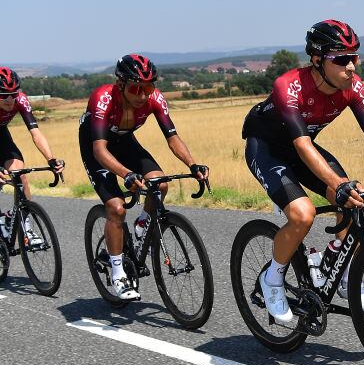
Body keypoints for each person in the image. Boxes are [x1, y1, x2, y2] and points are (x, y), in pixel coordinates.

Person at [242, 19, 364, 325]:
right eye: (342, 59)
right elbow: (302, 146)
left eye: (355, 57)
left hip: (302, 147)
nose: (352, 66)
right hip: (267, 149)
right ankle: (272, 279)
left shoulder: (352, 87)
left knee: (354, 201)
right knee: (303, 214)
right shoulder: (289, 86)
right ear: (317, 60)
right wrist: (336, 184)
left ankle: (341, 273)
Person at [79, 54, 209, 300]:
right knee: (116, 208)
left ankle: (143, 224)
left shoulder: (155, 99)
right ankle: (118, 273)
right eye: (136, 88)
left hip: (125, 142)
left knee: (160, 185)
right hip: (98, 146)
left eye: (148, 87)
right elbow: (99, 150)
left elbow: (172, 137)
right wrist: (126, 174)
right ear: (120, 84)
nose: (142, 95)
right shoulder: (103, 98)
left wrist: (193, 165)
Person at [0, 67, 65, 246]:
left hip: (1, 136)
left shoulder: (20, 100)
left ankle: (26, 228)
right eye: (3, 95)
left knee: (20, 175)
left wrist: (51, 159)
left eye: (13, 94)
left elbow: (35, 132)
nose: (9, 99)